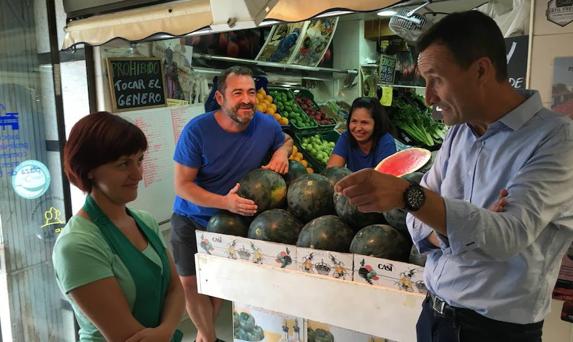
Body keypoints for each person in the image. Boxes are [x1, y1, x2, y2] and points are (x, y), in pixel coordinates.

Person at [335, 10, 573, 342]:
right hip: (434, 317)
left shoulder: (557, 139)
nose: (429, 96)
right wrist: (456, 227)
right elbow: (417, 224)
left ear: (480, 70)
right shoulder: (459, 133)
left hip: (494, 333)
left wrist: (411, 197)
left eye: (437, 79)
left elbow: (506, 237)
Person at [171, 66, 293, 342]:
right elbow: (182, 185)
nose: (247, 99)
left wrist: (282, 152)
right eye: (237, 93)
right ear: (220, 98)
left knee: (220, 287)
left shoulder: (267, 124)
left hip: (234, 220)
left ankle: (206, 338)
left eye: (251, 92)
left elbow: (285, 139)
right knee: (189, 283)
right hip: (192, 216)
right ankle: (208, 337)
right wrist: (225, 202)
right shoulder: (197, 131)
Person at [53, 112, 185, 341]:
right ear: (89, 169)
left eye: (140, 160)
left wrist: (165, 331)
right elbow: (126, 336)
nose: (138, 174)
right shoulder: (77, 245)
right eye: (124, 164)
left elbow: (176, 288)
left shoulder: (145, 221)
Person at [326, 97, 396, 171]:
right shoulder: (346, 138)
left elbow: (382, 176)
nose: (358, 128)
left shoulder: (386, 142)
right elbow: (332, 170)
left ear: (376, 124)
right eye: (354, 121)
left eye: (364, 122)